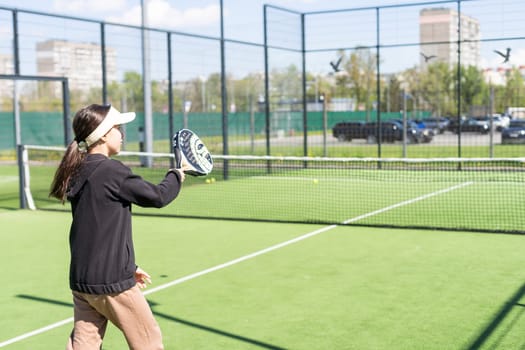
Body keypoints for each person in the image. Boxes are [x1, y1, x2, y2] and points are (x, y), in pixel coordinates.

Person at [50, 104, 187, 349]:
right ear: (103, 134)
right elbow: (157, 197)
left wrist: (129, 265)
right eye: (117, 128)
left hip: (82, 282)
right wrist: (176, 175)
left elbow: (95, 228)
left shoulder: (79, 170)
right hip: (111, 282)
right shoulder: (112, 171)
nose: (122, 135)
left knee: (84, 346)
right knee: (149, 341)